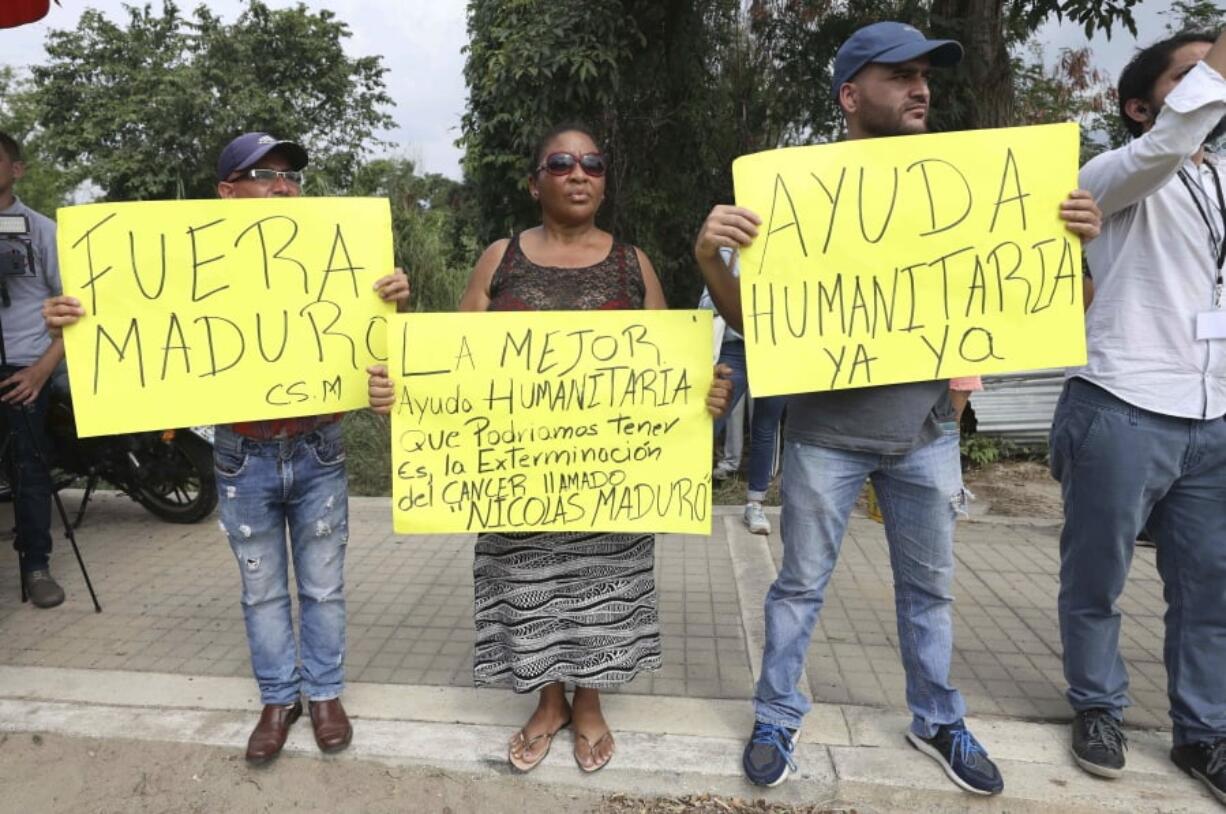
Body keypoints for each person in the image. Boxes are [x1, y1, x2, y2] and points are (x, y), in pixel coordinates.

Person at [694, 22, 1102, 796]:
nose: (921, 89)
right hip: (824, 440)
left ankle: (936, 716)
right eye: (900, 76)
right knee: (800, 585)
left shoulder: (973, 188)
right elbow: (754, 322)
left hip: (927, 435)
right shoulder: (796, 196)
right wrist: (705, 257)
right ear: (851, 95)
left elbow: (1065, 308)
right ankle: (778, 713)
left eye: (926, 76)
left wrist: (1077, 246)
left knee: (930, 592)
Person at [369, 123, 732, 775]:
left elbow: (674, 374)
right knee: (529, 588)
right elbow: (450, 367)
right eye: (560, 162)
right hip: (518, 476)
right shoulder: (499, 260)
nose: (579, 173)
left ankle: (588, 700)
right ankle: (548, 700)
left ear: (604, 179)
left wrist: (706, 396)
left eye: (593, 162)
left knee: (604, 588)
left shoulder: (633, 263)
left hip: (611, 479)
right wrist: (402, 388)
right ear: (535, 181)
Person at [43, 132, 411, 766]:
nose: (282, 187)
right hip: (242, 455)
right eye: (264, 176)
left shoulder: (340, 255)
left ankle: (323, 694)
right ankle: (278, 699)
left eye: (290, 177)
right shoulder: (183, 262)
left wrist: (394, 303)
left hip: (318, 446)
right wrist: (77, 316)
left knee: (324, 586)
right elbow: (132, 317)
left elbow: (380, 354)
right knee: (261, 588)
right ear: (226, 192)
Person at [1052, 29, 1226, 803]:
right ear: (1137, 106)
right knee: (1097, 575)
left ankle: (1204, 732)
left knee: (1209, 585)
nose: (1213, 85)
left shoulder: (1219, 178)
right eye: (1193, 76)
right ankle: (1097, 706)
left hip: (1212, 412)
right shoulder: (1111, 175)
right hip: (1122, 404)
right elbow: (1171, 142)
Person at [0, 130, 65, 609]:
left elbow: (75, 313)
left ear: (16, 169)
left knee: (30, 470)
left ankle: (36, 566)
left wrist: (41, 370)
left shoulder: (42, 230)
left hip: (23, 367)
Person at [700, 277, 786, 534]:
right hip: (733, 346)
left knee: (766, 427)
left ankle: (755, 503)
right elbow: (706, 302)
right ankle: (682, 491)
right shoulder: (731, 247)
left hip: (776, 346)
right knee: (707, 420)